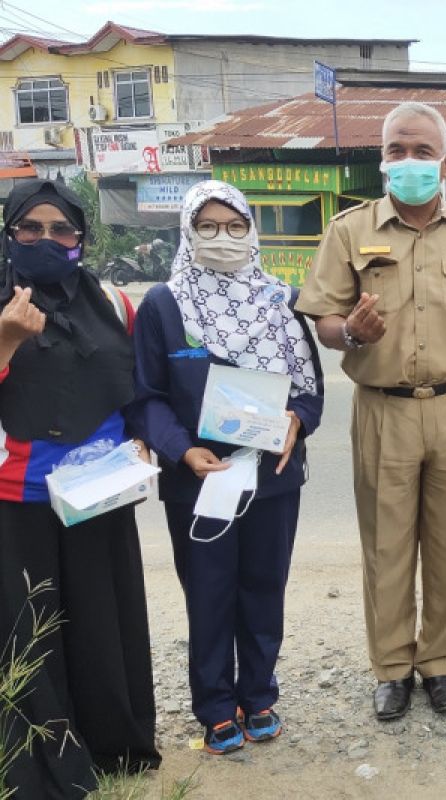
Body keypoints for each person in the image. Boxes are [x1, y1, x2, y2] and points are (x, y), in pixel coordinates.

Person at [297, 102, 446, 722]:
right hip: (383, 408)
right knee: (386, 546)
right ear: (382, 160)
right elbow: (326, 321)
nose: (408, 161)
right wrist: (353, 333)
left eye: (422, 152)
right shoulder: (349, 230)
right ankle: (391, 668)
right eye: (396, 150)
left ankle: (442, 664)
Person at [127, 181, 325, 755]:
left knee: (265, 588)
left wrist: (298, 421)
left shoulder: (281, 301)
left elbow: (308, 388)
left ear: (252, 231)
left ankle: (259, 694)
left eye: (235, 226)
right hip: (201, 479)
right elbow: (146, 397)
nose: (224, 239)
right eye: (208, 227)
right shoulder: (165, 305)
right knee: (209, 594)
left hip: (271, 477)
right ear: (188, 233)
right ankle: (215, 704)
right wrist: (182, 451)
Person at [0, 179, 159, 797]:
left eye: (61, 230)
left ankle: (113, 747)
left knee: (101, 624)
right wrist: (10, 336)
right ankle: (42, 766)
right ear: (10, 234)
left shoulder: (115, 304)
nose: (46, 239)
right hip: (19, 498)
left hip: (99, 495)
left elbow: (141, 387)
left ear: (81, 240)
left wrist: (144, 438)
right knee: (29, 632)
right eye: (30, 229)